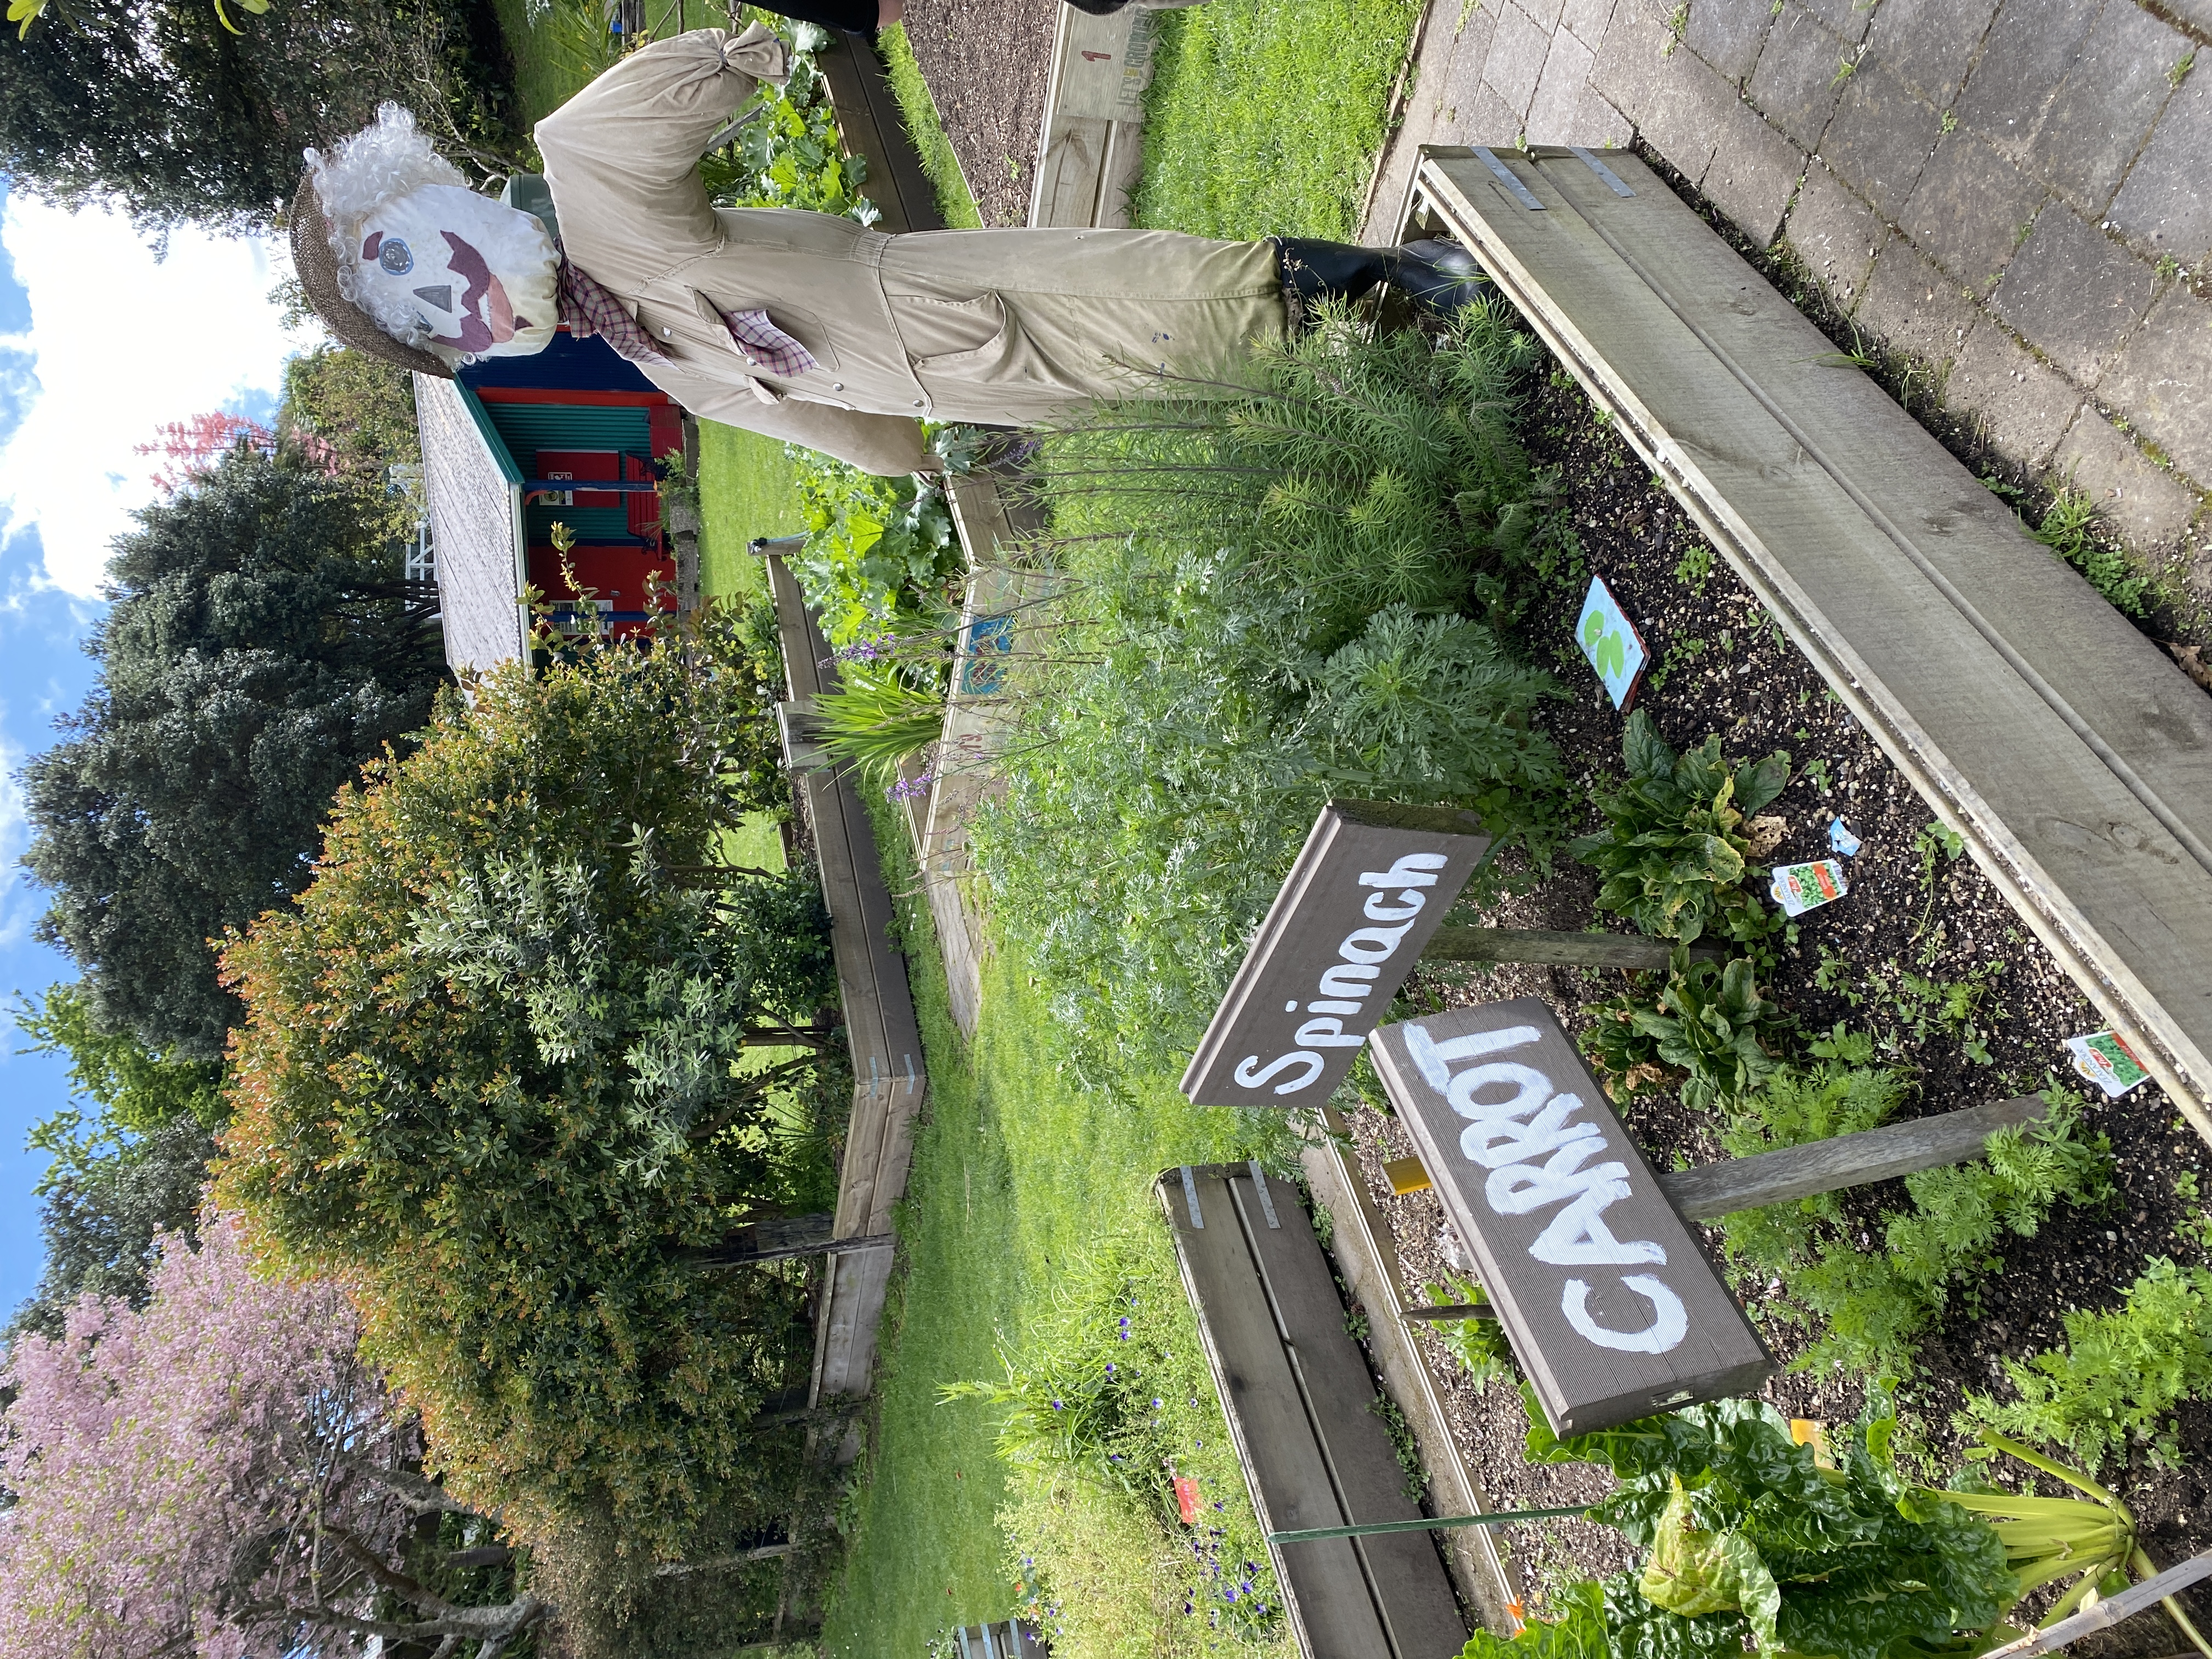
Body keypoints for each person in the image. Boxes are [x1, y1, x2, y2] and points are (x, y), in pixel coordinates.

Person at [292, 23, 1483, 477]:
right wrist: (927, 463)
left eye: (418, 266)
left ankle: (1429, 287)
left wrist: (755, 53)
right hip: (964, 381)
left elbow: (625, 123)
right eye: (436, 332)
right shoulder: (661, 365)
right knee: (1189, 374)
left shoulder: (597, 203)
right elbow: (822, 428)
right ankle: (1409, 346)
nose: (465, 313)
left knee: (1181, 293)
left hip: (955, 298)